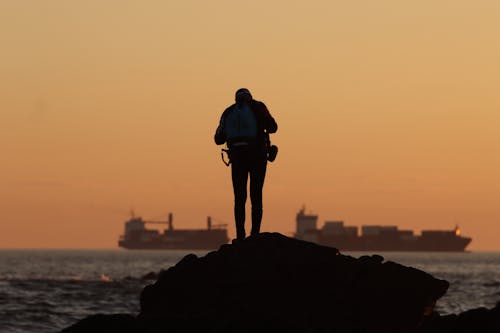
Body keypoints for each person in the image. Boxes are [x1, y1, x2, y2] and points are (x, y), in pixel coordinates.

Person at [214, 88, 278, 241]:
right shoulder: (258, 107)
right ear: (250, 97)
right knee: (256, 195)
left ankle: (240, 236)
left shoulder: (229, 112)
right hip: (258, 157)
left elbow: (218, 139)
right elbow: (273, 128)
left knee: (239, 197)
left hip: (237, 159)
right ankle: (254, 234)